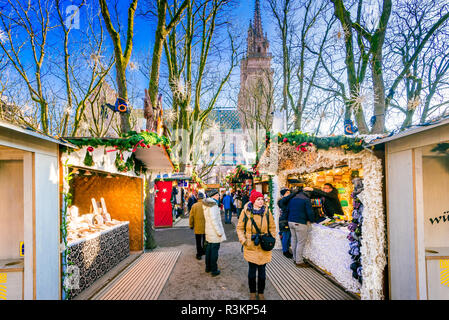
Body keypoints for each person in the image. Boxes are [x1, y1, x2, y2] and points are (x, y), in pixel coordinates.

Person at [236, 190, 276, 300]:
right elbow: (239, 228)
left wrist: (272, 239)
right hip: (251, 244)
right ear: (253, 201)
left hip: (264, 245)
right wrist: (244, 241)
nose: (261, 201)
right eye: (258, 199)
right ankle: (253, 292)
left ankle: (261, 292)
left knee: (262, 272)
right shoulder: (246, 212)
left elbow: (272, 227)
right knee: (252, 271)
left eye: (262, 199)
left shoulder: (267, 212)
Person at [287, 187, 315, 267]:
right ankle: (299, 261)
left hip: (291, 221)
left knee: (294, 239)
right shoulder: (306, 199)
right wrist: (312, 220)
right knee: (300, 242)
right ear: (308, 193)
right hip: (300, 222)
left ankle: (295, 258)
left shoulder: (293, 198)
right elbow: (310, 212)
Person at [203, 189, 226, 277]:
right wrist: (219, 232)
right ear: (213, 196)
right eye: (217, 195)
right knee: (214, 251)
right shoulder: (213, 205)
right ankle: (214, 269)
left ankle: (208, 267)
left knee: (209, 249)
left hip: (209, 231)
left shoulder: (207, 204)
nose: (219, 196)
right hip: (214, 232)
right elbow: (214, 220)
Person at [277, 188, 298, 258]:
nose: (288, 194)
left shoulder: (286, 201)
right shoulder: (282, 201)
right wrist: (295, 192)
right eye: (287, 193)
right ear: (283, 195)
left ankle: (286, 249)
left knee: (287, 235)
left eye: (289, 192)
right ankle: (285, 251)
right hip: (284, 221)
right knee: (286, 235)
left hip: (286, 220)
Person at [189, 192, 206, 260]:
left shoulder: (194, 206)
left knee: (198, 241)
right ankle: (204, 251)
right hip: (206, 226)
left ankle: (199, 254)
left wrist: (191, 225)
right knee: (205, 240)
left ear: (197, 198)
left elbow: (191, 216)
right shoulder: (206, 205)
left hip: (197, 226)